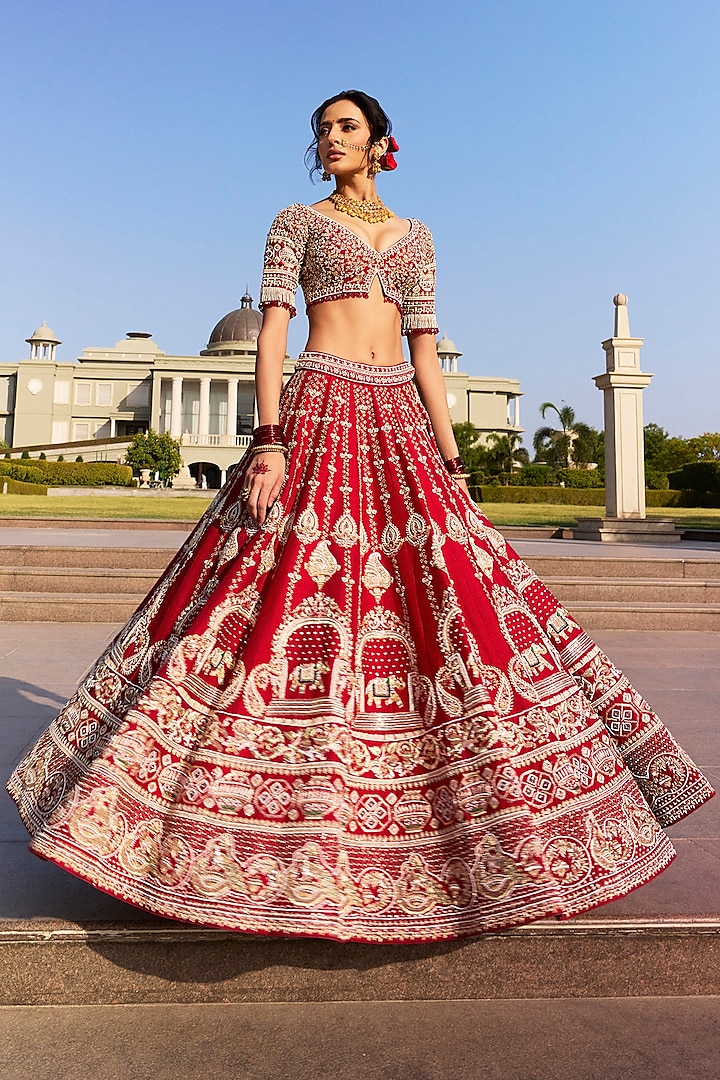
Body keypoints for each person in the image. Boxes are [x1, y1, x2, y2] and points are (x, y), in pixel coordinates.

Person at [7, 90, 713, 944]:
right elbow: (273, 333)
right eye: (322, 131)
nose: (329, 140)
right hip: (320, 408)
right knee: (271, 591)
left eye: (345, 128)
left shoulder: (417, 237)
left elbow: (423, 350)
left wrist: (451, 455)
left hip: (399, 423)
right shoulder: (295, 222)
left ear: (382, 142)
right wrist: (267, 437)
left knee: (441, 602)